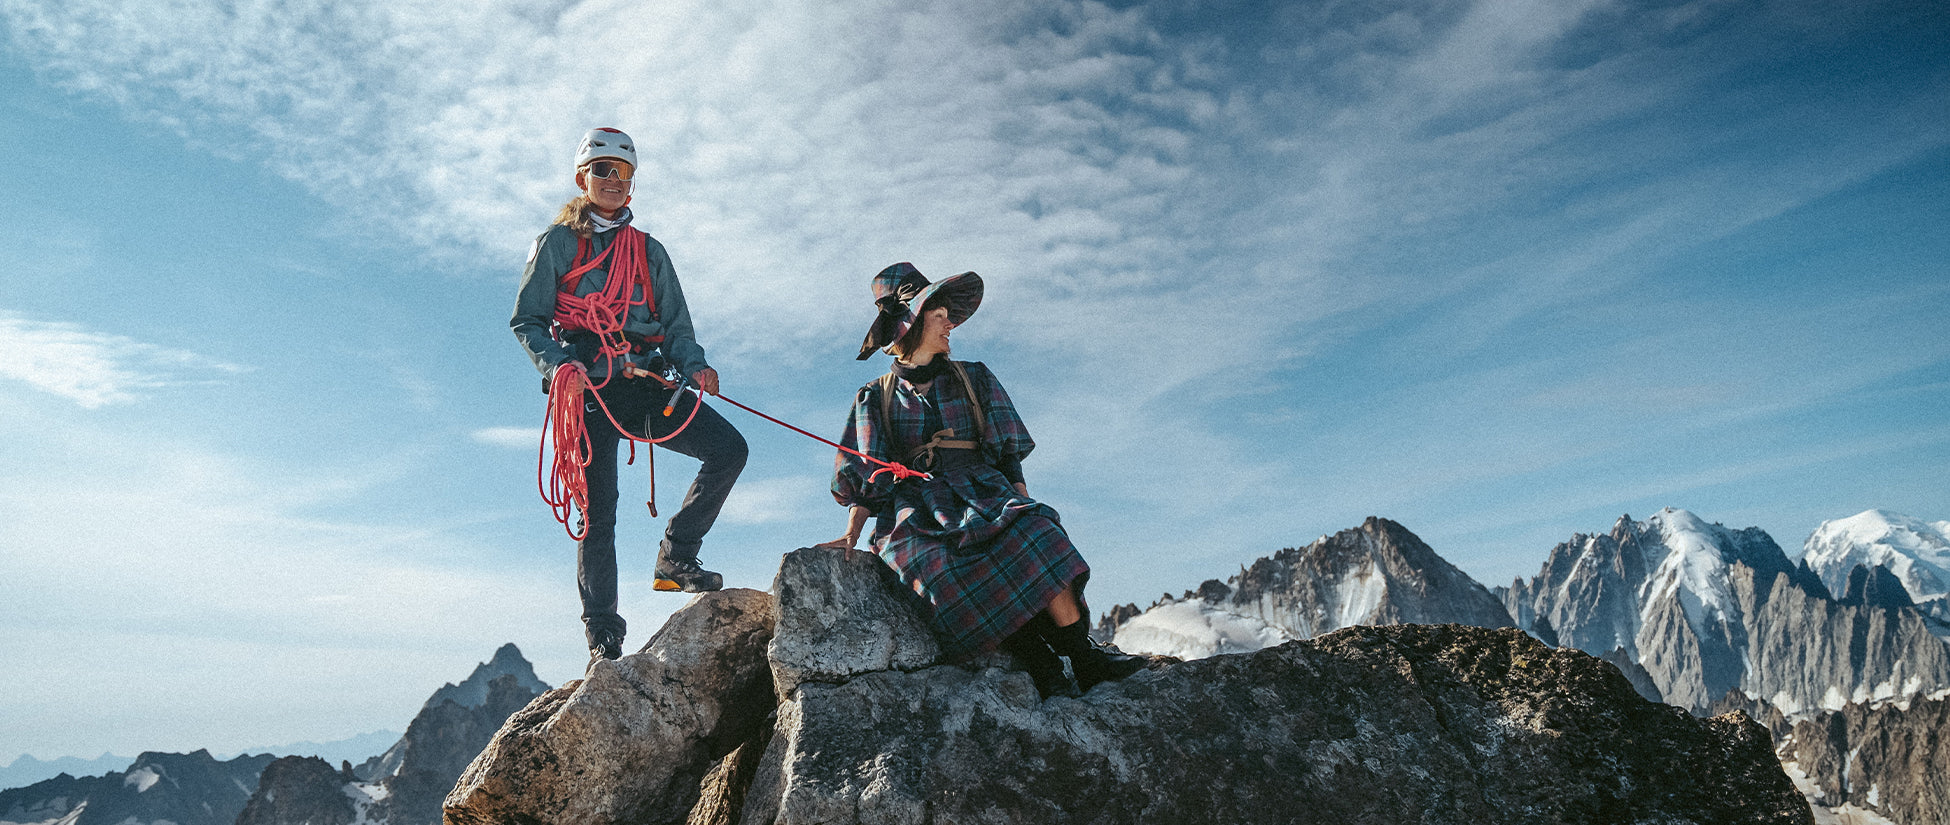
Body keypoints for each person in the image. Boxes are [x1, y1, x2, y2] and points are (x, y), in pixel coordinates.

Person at [819, 262, 1144, 698]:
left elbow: (1009, 455)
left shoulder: (975, 377)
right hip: (918, 510)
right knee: (934, 569)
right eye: (939, 314)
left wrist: (1025, 503)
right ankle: (1037, 662)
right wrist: (850, 534)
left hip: (986, 492)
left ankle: (1083, 657)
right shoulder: (874, 397)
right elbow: (868, 477)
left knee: (1038, 535)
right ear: (912, 324)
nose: (950, 323)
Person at [512, 127, 748, 662]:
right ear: (583, 178)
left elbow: (677, 325)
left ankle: (676, 557)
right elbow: (527, 321)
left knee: (729, 450)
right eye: (603, 171)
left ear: (632, 182)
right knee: (600, 513)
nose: (614, 181)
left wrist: (696, 365)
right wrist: (559, 366)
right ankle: (603, 630)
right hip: (589, 389)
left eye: (623, 173)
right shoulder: (557, 245)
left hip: (646, 385)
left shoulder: (649, 251)